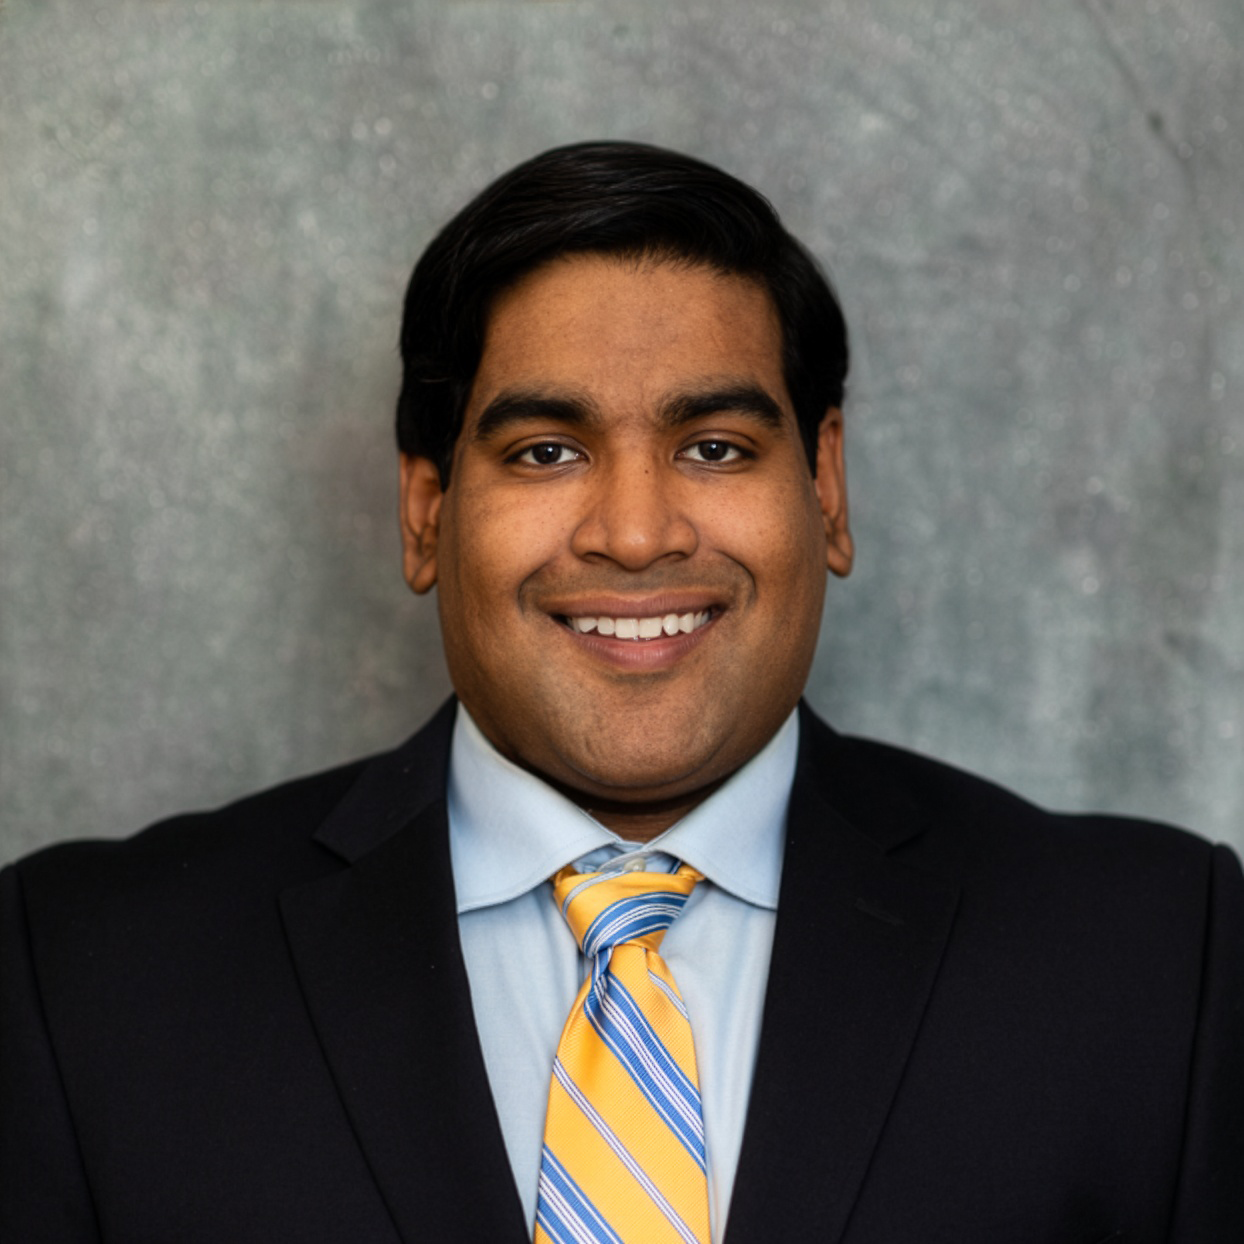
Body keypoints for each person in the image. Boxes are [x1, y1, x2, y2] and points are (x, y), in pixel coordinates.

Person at [2, 141, 1241, 1244]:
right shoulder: (80, 979)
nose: (638, 534)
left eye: (714, 446)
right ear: (426, 508)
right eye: (545, 450)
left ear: (825, 487)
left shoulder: (1156, 960)